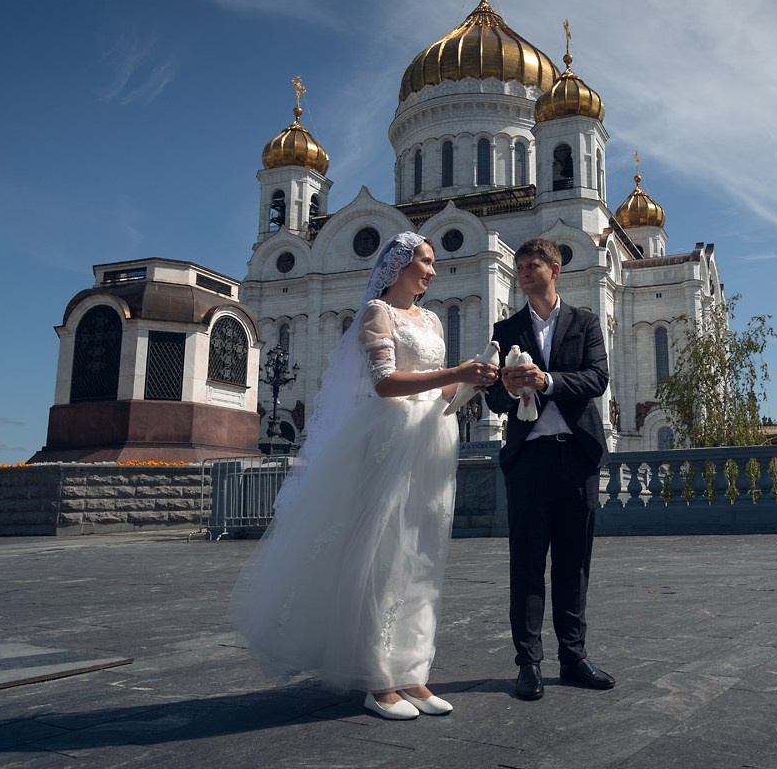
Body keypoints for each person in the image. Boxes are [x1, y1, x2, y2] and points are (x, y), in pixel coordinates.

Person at [229, 232, 498, 720]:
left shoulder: (433, 319)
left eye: (433, 263)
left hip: (432, 439)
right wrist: (455, 371)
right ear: (399, 264)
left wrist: (470, 383)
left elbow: (438, 393)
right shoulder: (377, 313)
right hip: (391, 437)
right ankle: (377, 680)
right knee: (384, 556)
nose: (433, 271)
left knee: (422, 554)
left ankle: (412, 670)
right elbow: (384, 383)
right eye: (425, 261)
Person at [484, 237, 614, 701]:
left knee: (574, 563)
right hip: (529, 460)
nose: (522, 271)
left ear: (554, 269)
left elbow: (598, 378)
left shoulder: (585, 322)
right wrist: (504, 383)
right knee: (526, 564)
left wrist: (548, 380)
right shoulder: (507, 328)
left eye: (531, 263)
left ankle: (574, 658)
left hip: (576, 456)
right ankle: (529, 665)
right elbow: (494, 399)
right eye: (518, 265)